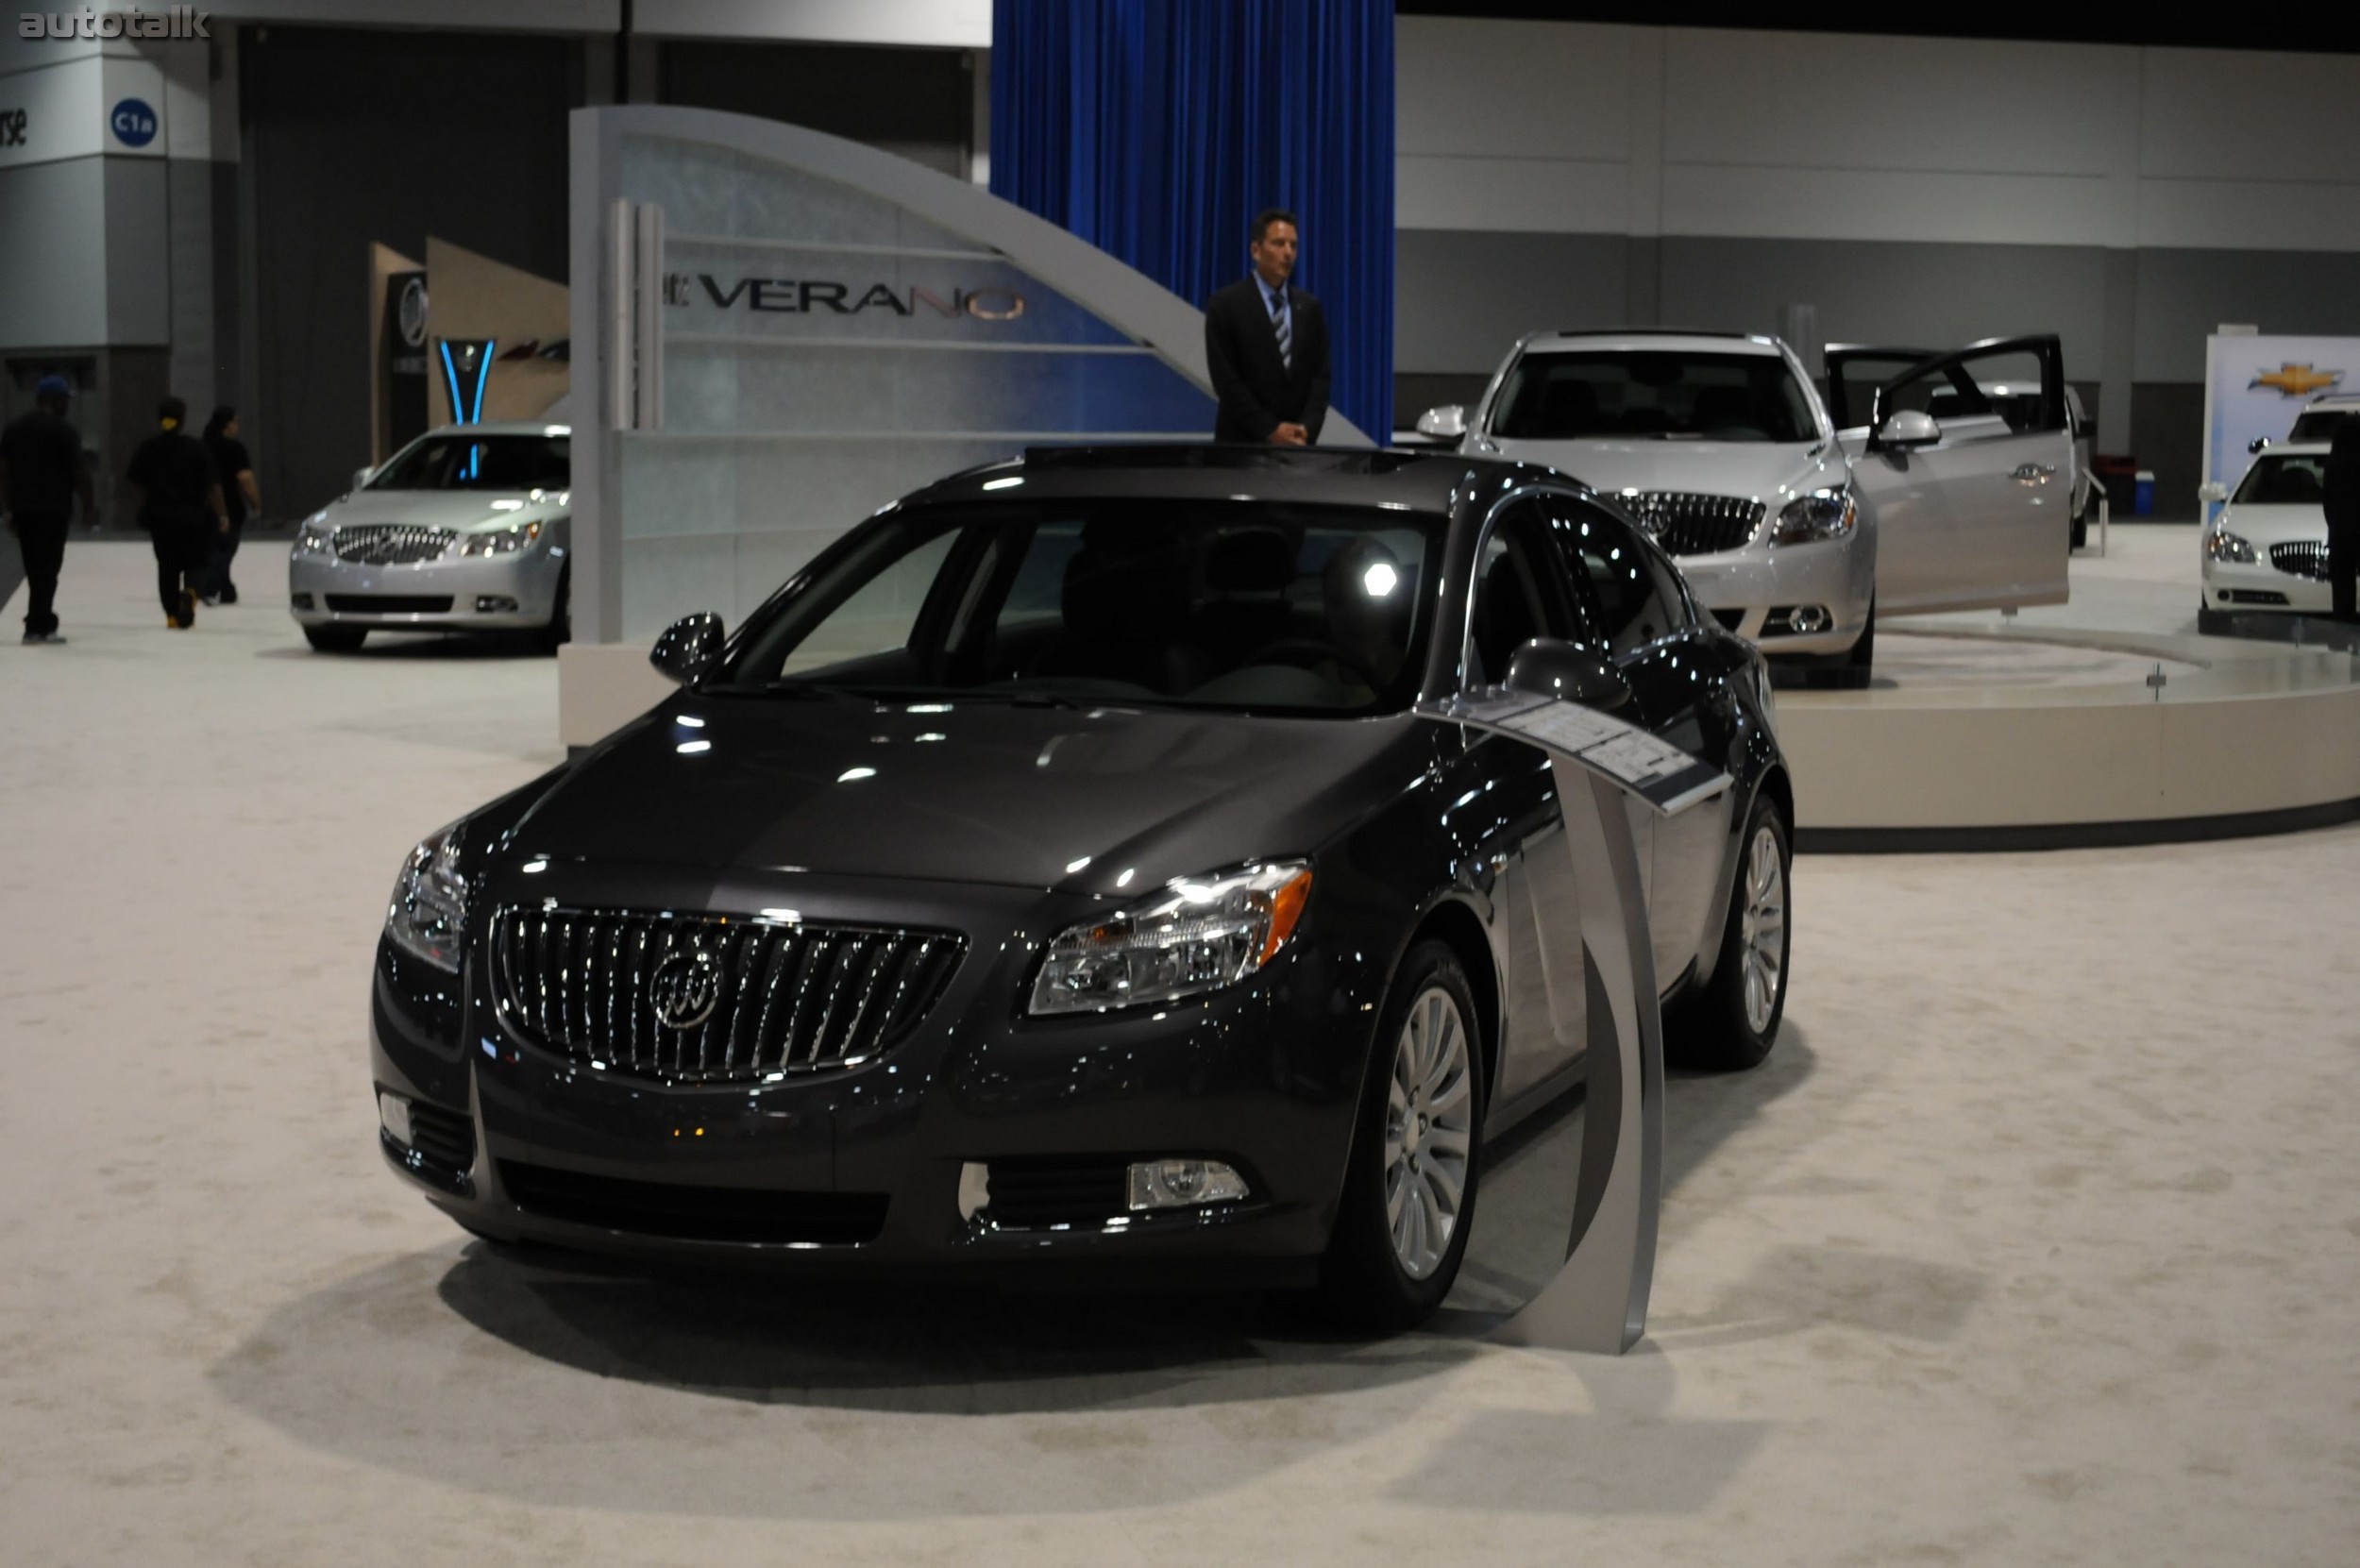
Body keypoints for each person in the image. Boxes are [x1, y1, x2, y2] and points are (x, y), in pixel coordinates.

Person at [1204, 208, 1331, 447]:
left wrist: (1306, 429)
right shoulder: (1226, 305)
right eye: (1279, 243)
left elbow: (1320, 378)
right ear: (1256, 250)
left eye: (1293, 245)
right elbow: (1226, 380)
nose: (1288, 253)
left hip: (1298, 449)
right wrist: (1270, 430)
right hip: (1241, 447)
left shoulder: (1310, 308)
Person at [0, 374, 95, 645]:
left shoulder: (14, 428)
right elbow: (80, 472)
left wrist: (7, 508)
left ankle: (38, 621)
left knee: (33, 567)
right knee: (48, 568)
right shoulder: (63, 430)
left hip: (23, 509)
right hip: (53, 510)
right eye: (64, 399)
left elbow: (3, 472)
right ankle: (39, 625)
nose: (67, 405)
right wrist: (89, 508)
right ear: (54, 400)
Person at [126, 396, 228, 630]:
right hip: (195, 518)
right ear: (183, 419)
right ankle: (191, 592)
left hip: (161, 519)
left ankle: (172, 615)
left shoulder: (148, 448)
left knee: (167, 567)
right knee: (199, 561)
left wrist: (147, 506)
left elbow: (138, 484)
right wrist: (222, 515)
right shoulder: (196, 448)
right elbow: (213, 486)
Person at [198, 406, 259, 604]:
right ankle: (208, 587)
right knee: (225, 551)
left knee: (214, 549)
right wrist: (255, 502)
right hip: (230, 507)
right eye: (235, 422)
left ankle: (226, 589)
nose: (237, 426)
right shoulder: (234, 448)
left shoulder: (202, 447)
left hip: (203, 507)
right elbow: (245, 479)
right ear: (228, 424)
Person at [2326, 420, 2360, 625]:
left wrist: (2335, 526)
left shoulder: (2334, 465)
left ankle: (2341, 633)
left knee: (2341, 591)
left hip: (2340, 535)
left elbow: (2327, 503)